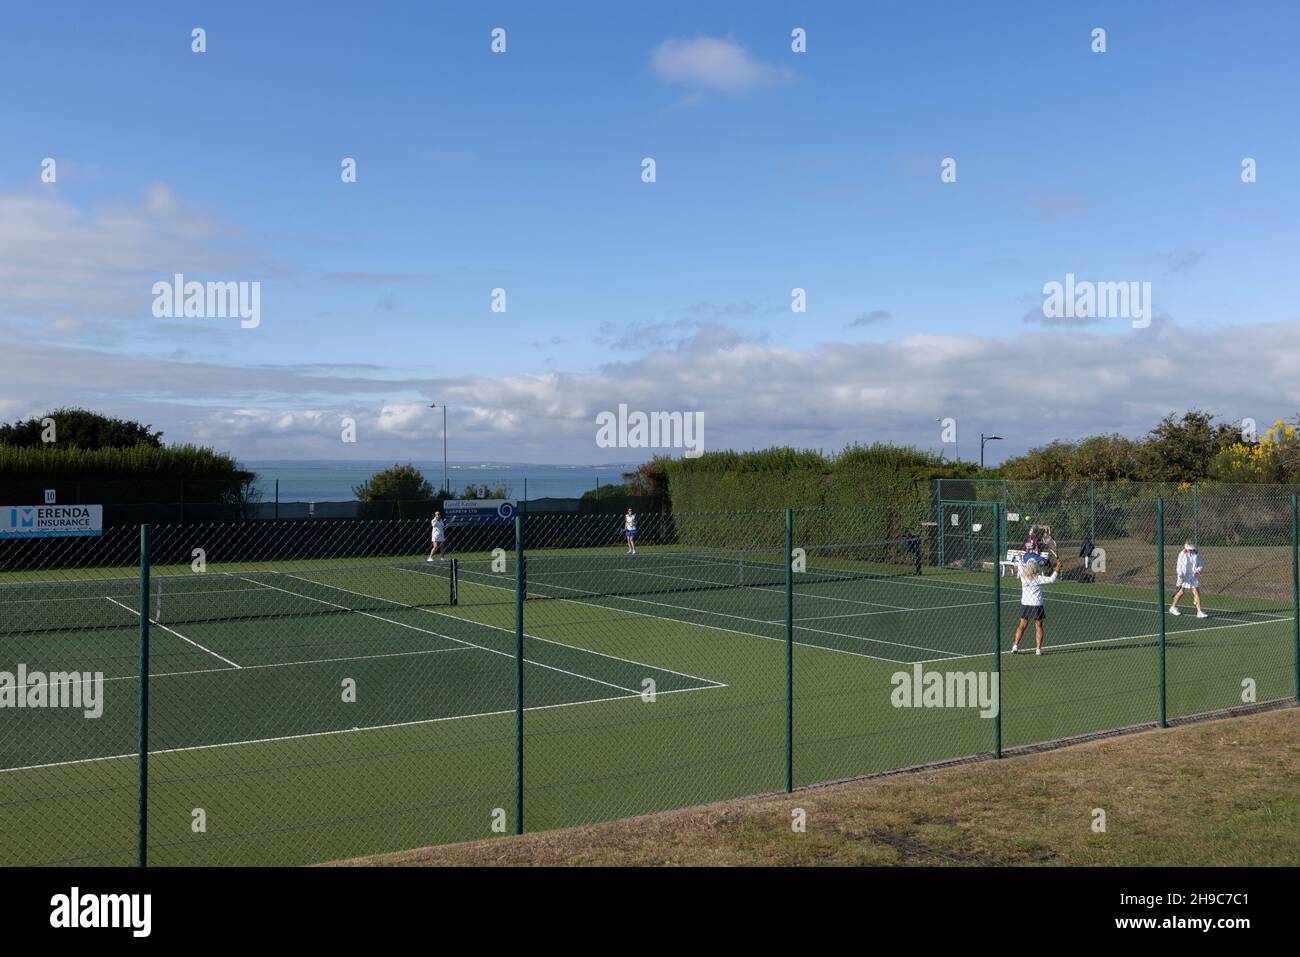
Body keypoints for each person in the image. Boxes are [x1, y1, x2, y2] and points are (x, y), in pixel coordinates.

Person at [1010, 554, 1062, 656]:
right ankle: (1038, 649)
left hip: (1026, 604)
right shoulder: (1038, 578)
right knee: (1038, 626)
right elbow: (1051, 580)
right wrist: (1057, 569)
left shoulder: (1022, 577)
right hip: (1037, 605)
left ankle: (1015, 646)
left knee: (1022, 625)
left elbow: (1020, 565)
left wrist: (1020, 558)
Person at [1169, 541, 1207, 618]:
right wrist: (1180, 577)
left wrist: (1198, 570)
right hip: (1184, 576)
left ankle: (1199, 612)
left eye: (1191, 549)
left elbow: (1200, 564)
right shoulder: (1182, 554)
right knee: (1181, 592)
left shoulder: (1196, 553)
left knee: (1196, 592)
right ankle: (1173, 607)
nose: (1190, 550)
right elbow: (1179, 567)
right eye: (1189, 549)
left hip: (1192, 576)